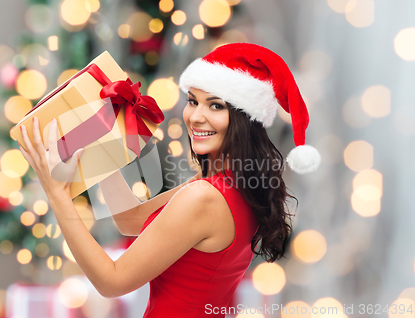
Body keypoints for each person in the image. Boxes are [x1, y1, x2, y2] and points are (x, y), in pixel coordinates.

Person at [18, 43, 321, 317]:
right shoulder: (229, 184)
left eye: (215, 105)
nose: (196, 117)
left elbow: (112, 281)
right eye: (193, 101)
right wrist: (101, 140)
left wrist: (57, 193)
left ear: (245, 118)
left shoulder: (205, 198)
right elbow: (132, 220)